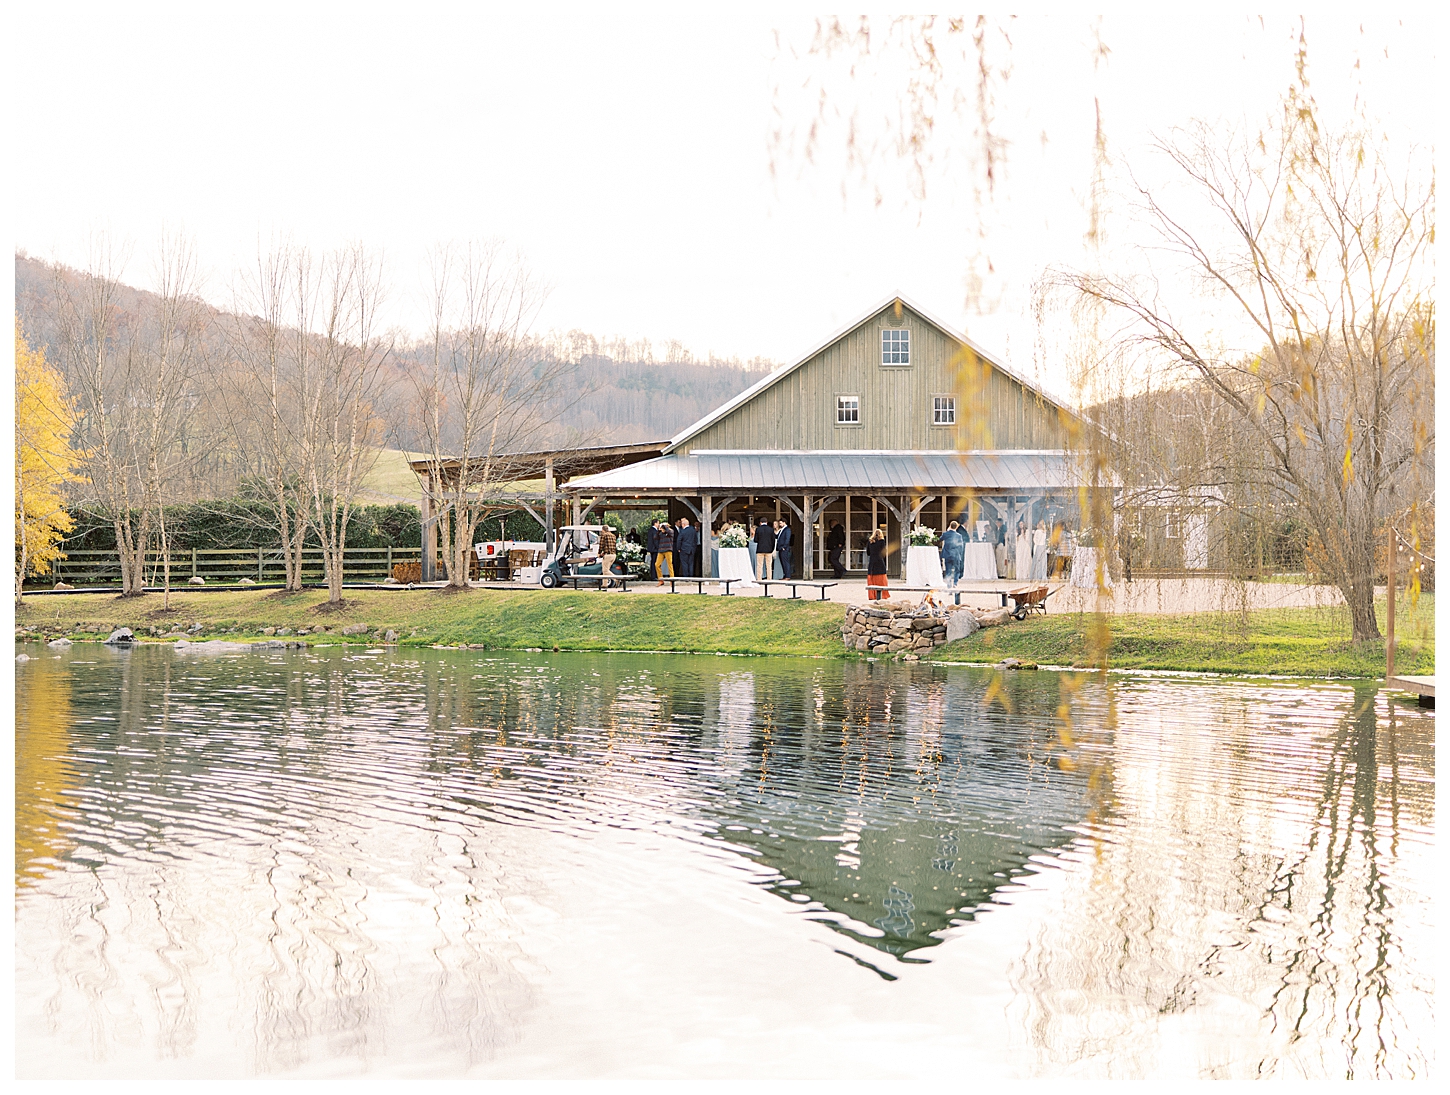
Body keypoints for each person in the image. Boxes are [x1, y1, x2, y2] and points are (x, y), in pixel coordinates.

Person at [866, 527, 890, 600]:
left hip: (872, 561)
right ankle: (883, 595)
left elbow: (868, 553)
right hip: (879, 561)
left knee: (872, 578)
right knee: (882, 578)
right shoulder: (882, 541)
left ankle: (872, 595)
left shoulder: (870, 542)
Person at [941, 520, 966, 587]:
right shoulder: (959, 536)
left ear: (950, 526)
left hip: (947, 554)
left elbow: (940, 539)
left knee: (948, 570)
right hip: (956, 555)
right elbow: (961, 546)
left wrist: (947, 530)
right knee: (957, 570)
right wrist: (960, 554)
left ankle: (949, 584)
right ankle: (955, 583)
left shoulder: (945, 534)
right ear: (956, 527)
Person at [597, 523, 618, 589]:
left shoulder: (604, 535)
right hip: (613, 555)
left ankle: (616, 579)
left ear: (603, 530)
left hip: (608, 555)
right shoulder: (613, 536)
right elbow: (611, 546)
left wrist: (599, 553)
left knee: (605, 570)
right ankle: (605, 584)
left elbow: (601, 545)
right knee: (606, 570)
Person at [754, 517, 776, 582]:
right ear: (767, 522)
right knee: (769, 565)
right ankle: (769, 579)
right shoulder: (771, 530)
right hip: (769, 549)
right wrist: (772, 548)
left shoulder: (758, 529)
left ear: (760, 523)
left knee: (759, 565)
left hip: (760, 549)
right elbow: (773, 540)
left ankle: (759, 579)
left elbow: (755, 540)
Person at [654, 519, 675, 584]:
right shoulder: (660, 533)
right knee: (657, 564)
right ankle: (660, 580)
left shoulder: (671, 531)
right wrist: (658, 530)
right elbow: (655, 537)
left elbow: (668, 532)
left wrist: (665, 527)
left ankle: (672, 580)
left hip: (668, 550)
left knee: (670, 565)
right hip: (661, 550)